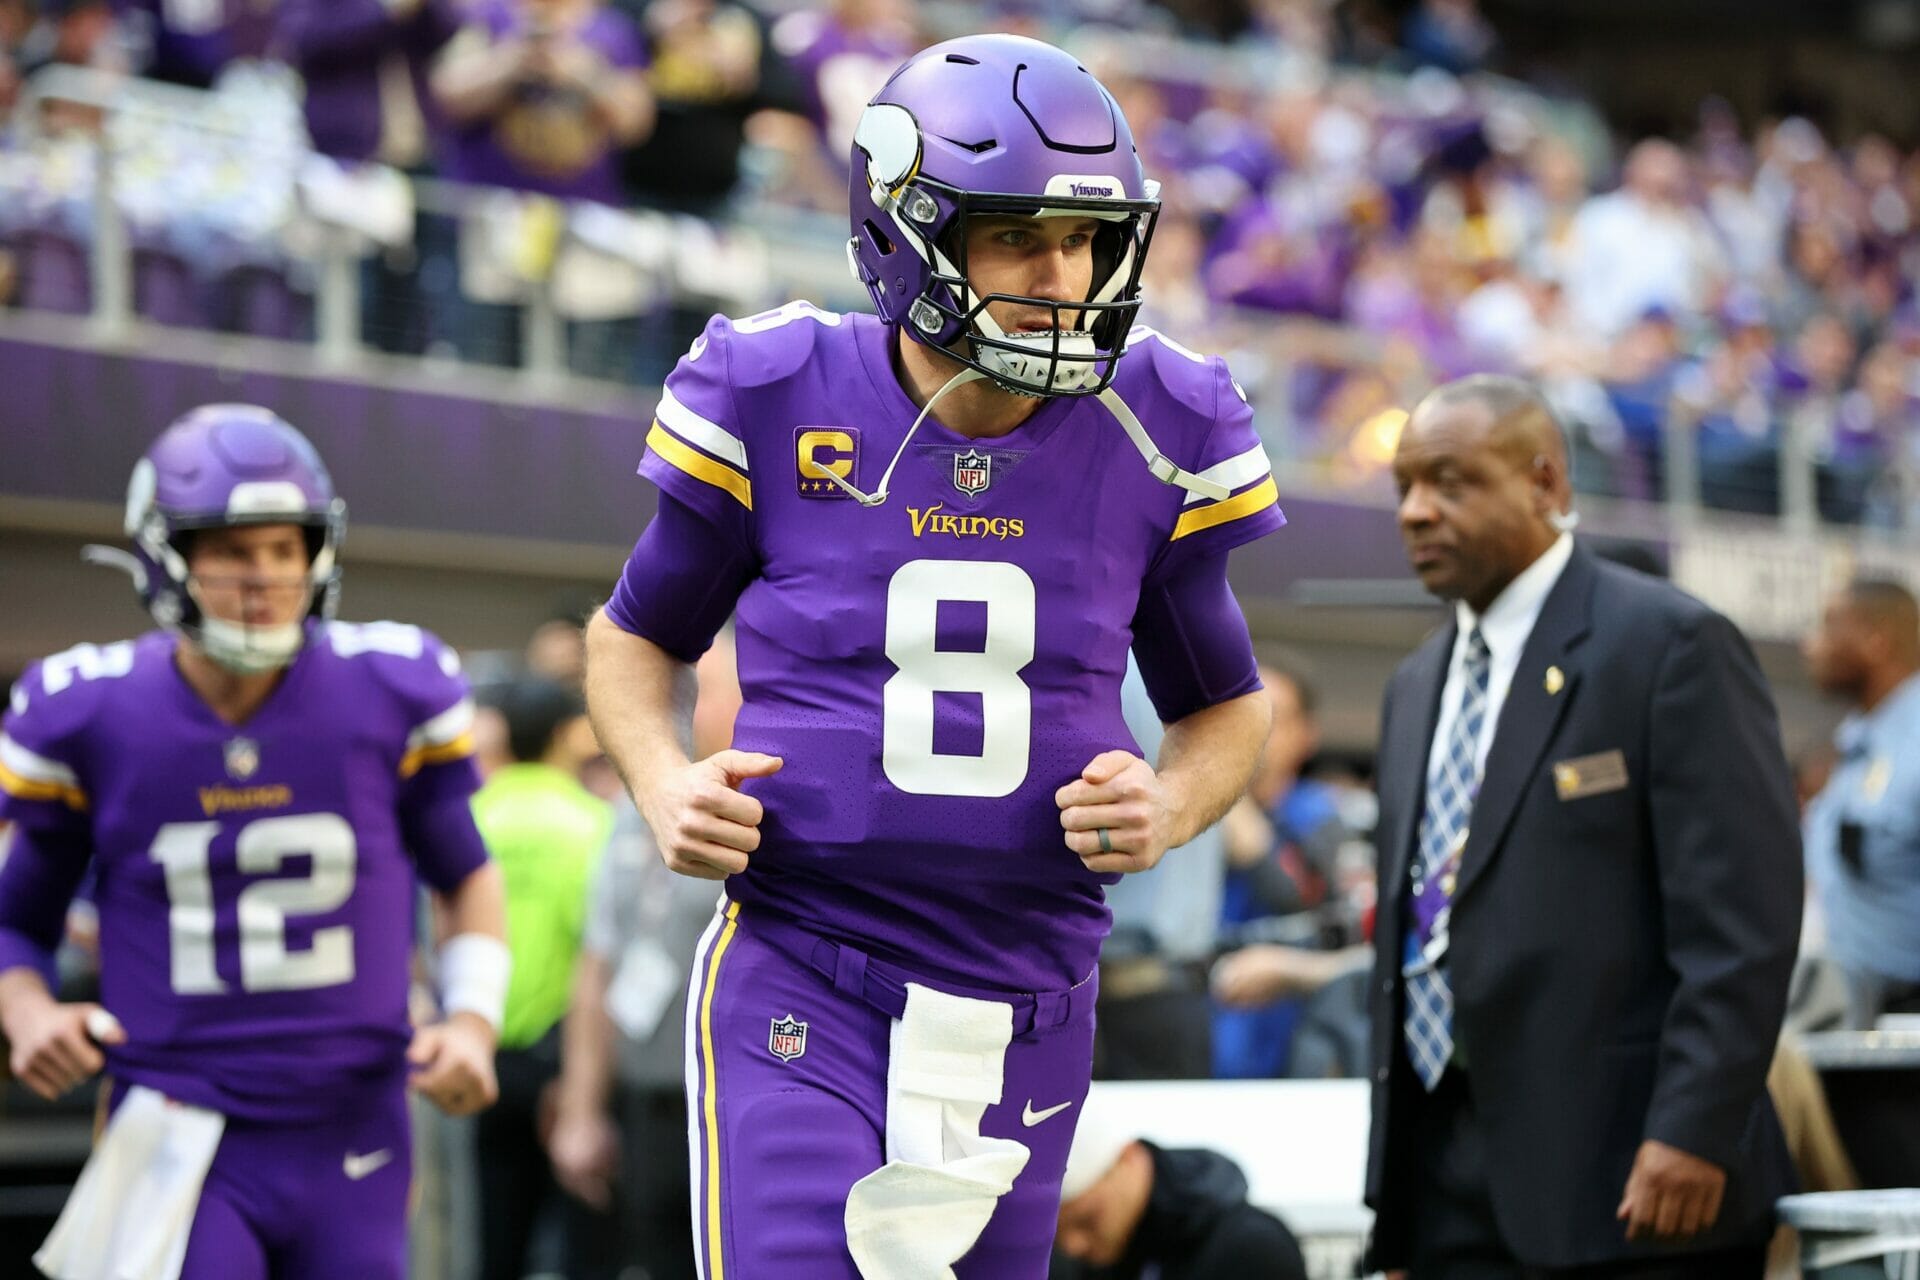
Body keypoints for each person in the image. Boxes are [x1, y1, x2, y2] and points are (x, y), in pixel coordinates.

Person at [583, 33, 1283, 1278]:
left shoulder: (1161, 418)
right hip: (808, 976)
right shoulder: (775, 386)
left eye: (1083, 240)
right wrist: (659, 780)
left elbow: (1227, 705)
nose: (1059, 275)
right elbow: (635, 636)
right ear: (904, 230)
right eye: (1015, 235)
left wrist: (1171, 804)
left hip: (1033, 1003)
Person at [0, 405, 510, 1280]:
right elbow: (17, 920)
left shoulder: (390, 687)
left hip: (355, 1117)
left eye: (285, 548)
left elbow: (466, 876)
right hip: (176, 1114)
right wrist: (28, 1013)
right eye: (233, 550)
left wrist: (471, 1022)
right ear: (167, 555)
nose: (265, 576)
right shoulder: (88, 711)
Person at [1365, 374, 1801, 1277]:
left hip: (1636, 1180)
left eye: (1451, 481)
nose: (1416, 511)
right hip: (1447, 1180)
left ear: (1549, 485)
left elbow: (1741, 928)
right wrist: (1398, 1192)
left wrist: (1695, 1129)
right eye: (1404, 485)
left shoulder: (1670, 645)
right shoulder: (1412, 686)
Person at [468, 676, 612, 1280]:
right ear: (562, 736)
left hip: (483, 1049)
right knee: (576, 1242)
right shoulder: (593, 824)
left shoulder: (473, 817)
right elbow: (595, 949)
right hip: (561, 1059)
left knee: (494, 1238)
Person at [1800, 578, 1920, 1029]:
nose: (1811, 644)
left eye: (1830, 626)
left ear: (1877, 640)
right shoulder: (1858, 744)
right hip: (1856, 1024)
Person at [1049, 1114, 1308, 1280]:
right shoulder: (1110, 1253)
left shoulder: (1253, 1251)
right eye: (1057, 1234)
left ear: (1129, 1159)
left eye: (1087, 1220)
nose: (1072, 1245)